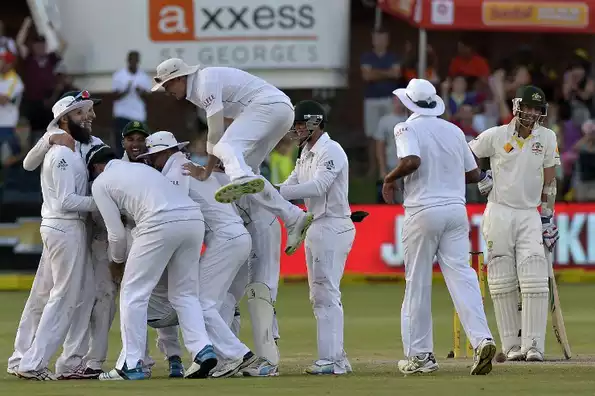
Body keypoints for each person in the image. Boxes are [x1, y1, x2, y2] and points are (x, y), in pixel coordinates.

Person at [138, 131, 275, 377]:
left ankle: (239, 356)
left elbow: (174, 211)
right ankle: (227, 358)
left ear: (163, 153)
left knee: (199, 303)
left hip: (224, 240)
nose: (151, 162)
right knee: (215, 303)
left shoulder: (176, 171)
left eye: (153, 157)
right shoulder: (193, 166)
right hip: (237, 237)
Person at [382, 79, 496, 375]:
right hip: (456, 211)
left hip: (423, 211)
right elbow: (472, 174)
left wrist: (389, 178)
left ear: (409, 104)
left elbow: (412, 160)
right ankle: (482, 339)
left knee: (417, 283)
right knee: (462, 277)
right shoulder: (454, 130)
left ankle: (421, 357)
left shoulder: (405, 128)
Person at [151, 58, 312, 256]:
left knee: (226, 147)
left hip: (269, 106)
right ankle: (294, 217)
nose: (167, 91)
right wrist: (210, 169)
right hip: (281, 111)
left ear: (181, 78)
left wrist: (206, 171)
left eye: (168, 85)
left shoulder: (204, 83)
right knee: (248, 170)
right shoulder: (199, 89)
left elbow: (216, 132)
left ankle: (241, 177)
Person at [85, 145, 216, 380]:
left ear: (95, 167)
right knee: (185, 294)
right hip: (193, 219)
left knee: (132, 292)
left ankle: (132, 363)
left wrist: (117, 261)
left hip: (158, 221)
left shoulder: (100, 182)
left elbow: (115, 234)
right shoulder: (140, 169)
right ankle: (202, 349)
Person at [17, 90, 106, 379]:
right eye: (82, 112)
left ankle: (25, 360)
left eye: (90, 111)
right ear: (65, 119)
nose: (90, 116)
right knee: (63, 298)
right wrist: (104, 202)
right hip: (66, 226)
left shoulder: (77, 145)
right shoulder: (61, 152)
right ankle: (32, 363)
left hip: (65, 227)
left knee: (48, 295)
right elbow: (67, 200)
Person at [468, 85, 560, 362]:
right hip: (498, 211)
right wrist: (481, 178)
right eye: (527, 107)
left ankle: (533, 346)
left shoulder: (546, 137)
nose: (531, 113)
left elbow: (550, 180)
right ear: (517, 106)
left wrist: (547, 216)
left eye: (536, 109)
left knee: (534, 277)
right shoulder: (496, 135)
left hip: (529, 214)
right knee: (501, 279)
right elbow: (465, 153)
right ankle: (511, 346)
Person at [277, 100, 355, 375]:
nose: (296, 130)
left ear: (314, 122)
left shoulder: (330, 150)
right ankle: (336, 357)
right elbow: (291, 183)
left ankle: (332, 360)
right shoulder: (305, 153)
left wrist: (276, 194)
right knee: (319, 294)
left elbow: (319, 187)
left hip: (333, 225)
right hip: (316, 225)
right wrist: (268, 190)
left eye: (300, 124)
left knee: (326, 292)